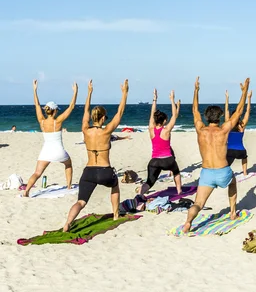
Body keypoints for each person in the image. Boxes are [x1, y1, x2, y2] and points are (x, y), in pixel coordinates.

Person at [182, 77, 250, 234]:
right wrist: (244, 91)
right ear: (219, 118)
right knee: (232, 183)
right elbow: (239, 111)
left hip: (206, 172)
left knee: (198, 203)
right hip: (222, 171)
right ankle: (233, 212)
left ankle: (188, 222)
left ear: (206, 117)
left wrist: (196, 90)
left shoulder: (200, 129)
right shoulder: (223, 130)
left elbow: (194, 109)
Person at [63, 79, 128, 231]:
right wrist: (124, 93)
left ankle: (67, 223)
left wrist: (89, 93)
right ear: (104, 118)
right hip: (105, 171)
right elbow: (120, 113)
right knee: (115, 186)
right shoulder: (106, 132)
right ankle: (116, 214)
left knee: (81, 202)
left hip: (89, 172)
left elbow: (85, 112)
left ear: (93, 118)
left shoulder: (85, 130)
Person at [23, 80, 78, 197]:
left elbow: (37, 105)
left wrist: (34, 90)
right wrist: (75, 92)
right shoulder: (57, 121)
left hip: (46, 152)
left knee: (37, 172)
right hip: (58, 151)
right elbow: (71, 107)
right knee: (68, 165)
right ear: (55, 110)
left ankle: (26, 191)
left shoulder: (41, 121)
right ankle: (68, 186)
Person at [137, 89, 182, 196]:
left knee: (150, 181)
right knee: (176, 172)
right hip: (168, 160)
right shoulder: (166, 130)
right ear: (164, 121)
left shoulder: (151, 129)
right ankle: (179, 191)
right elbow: (174, 115)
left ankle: (140, 194)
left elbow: (152, 115)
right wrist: (172, 100)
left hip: (154, 161)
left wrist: (155, 99)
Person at [224, 88, 252, 176]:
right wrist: (249, 98)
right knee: (245, 157)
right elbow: (247, 112)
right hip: (241, 151)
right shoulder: (241, 126)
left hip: (229, 151)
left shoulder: (228, 125)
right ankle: (245, 172)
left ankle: (226, 172)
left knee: (226, 165)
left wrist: (227, 98)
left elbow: (227, 111)